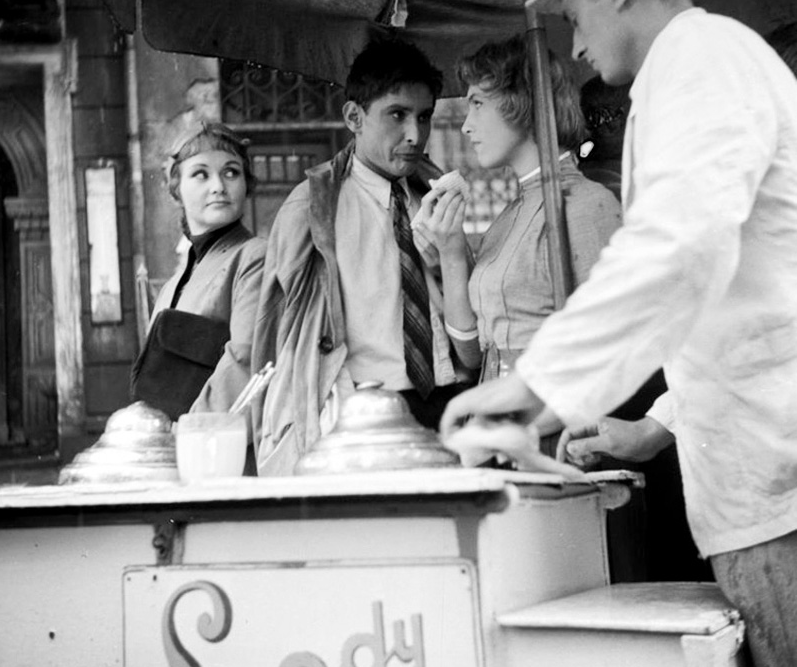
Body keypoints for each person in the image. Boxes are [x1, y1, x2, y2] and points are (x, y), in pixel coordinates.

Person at [438, 0, 797, 667]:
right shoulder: (699, 66)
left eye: (574, 18)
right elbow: (730, 294)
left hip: (779, 482)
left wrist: (537, 390)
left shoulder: (700, 60)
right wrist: (655, 428)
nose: (574, 46)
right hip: (758, 472)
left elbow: (676, 248)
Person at [252, 36, 468, 475]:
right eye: (397, 115)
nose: (415, 134)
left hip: (449, 404)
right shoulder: (312, 209)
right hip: (364, 417)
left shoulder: (434, 195)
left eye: (424, 116)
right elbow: (275, 332)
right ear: (354, 116)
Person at [413, 36, 621, 451]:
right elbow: (474, 354)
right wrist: (451, 251)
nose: (466, 125)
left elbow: (611, 356)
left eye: (478, 103)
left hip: (555, 442)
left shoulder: (586, 206)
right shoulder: (507, 217)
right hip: (499, 435)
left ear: (523, 103)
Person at [130, 121, 266, 429]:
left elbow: (246, 362)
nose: (218, 186)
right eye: (201, 174)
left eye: (231, 172)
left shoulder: (255, 257)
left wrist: (187, 433)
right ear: (176, 188)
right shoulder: (172, 286)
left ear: (246, 184)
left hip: (219, 442)